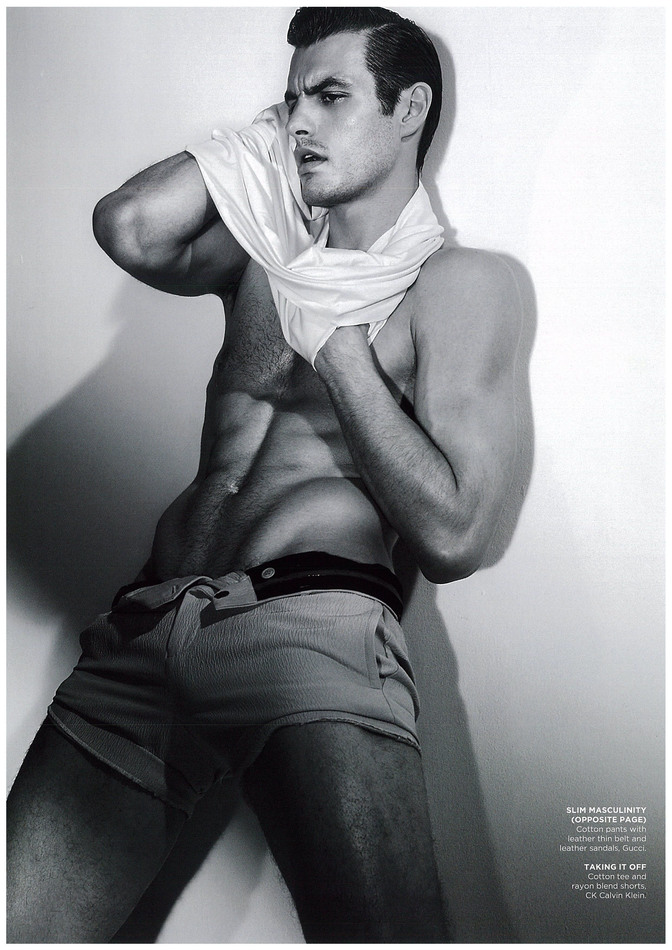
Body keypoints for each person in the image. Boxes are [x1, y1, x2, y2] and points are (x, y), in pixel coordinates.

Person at [7, 7, 520, 943]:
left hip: (307, 629)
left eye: (331, 97)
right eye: (290, 103)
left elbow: (456, 535)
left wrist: (340, 348)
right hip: (148, 624)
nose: (301, 123)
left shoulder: (461, 285)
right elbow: (129, 225)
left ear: (409, 109)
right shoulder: (265, 255)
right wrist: (260, 145)